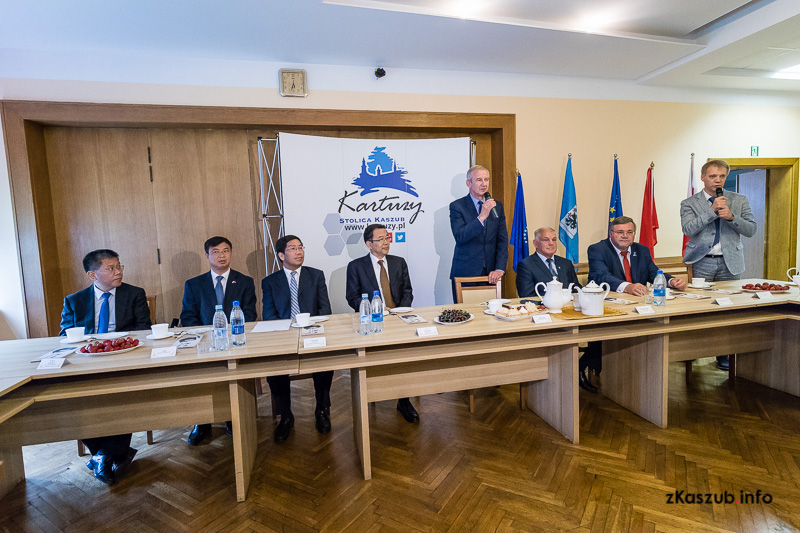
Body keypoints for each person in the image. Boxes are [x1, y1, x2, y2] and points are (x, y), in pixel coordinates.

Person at [59, 249, 151, 485]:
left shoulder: (134, 294)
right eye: (111, 268)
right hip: (87, 364)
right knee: (76, 400)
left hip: (124, 360)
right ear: (92, 274)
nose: (118, 272)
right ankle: (112, 454)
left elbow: (143, 329)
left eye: (119, 267)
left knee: (123, 397)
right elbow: (65, 335)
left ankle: (102, 457)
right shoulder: (74, 301)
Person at [587, 217, 687, 390]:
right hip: (608, 307)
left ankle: (641, 373)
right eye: (620, 232)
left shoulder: (642, 250)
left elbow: (653, 273)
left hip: (638, 306)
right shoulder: (598, 249)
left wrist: (671, 281)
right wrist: (627, 286)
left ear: (634, 234)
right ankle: (601, 369)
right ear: (611, 233)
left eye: (629, 232)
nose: (624, 236)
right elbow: (601, 276)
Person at [180, 236, 258, 445]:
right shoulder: (194, 284)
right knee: (201, 376)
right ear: (207, 256)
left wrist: (231, 334)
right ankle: (202, 422)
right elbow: (188, 316)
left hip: (235, 341)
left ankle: (232, 417)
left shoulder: (244, 281)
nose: (221, 256)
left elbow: (250, 314)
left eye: (225, 251)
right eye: (215, 252)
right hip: (206, 342)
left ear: (231, 253)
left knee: (233, 374)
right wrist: (206, 335)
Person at [681, 159, 756, 370]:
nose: (717, 180)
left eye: (722, 176)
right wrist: (711, 211)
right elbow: (688, 229)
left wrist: (732, 217)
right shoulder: (689, 203)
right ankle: (693, 351)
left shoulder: (739, 200)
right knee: (699, 308)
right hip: (701, 261)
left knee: (728, 309)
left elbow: (751, 230)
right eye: (713, 176)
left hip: (730, 262)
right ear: (703, 177)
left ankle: (724, 354)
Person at [262, 235, 334, 442]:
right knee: (275, 369)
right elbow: (269, 316)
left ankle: (322, 410)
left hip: (312, 332)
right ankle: (286, 415)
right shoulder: (270, 282)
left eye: (300, 247)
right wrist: (288, 330)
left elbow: (325, 309)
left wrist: (311, 328)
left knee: (325, 363)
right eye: (293, 248)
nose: (299, 252)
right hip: (284, 334)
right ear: (281, 255)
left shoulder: (315, 275)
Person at [345, 224, 418, 422]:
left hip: (398, 318)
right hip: (373, 322)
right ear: (369, 244)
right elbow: (352, 297)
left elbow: (408, 291)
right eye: (381, 239)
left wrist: (399, 312)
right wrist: (374, 309)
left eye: (387, 238)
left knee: (406, 356)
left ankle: (404, 400)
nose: (386, 242)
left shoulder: (398, 262)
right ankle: (371, 394)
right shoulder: (356, 266)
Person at [514, 227, 600, 392]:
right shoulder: (526, 265)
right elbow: (527, 296)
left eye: (554, 239)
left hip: (571, 314)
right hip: (547, 318)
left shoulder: (565, 263)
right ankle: (559, 379)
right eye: (546, 240)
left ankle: (580, 367)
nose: (551, 243)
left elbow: (576, 288)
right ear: (535, 243)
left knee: (599, 334)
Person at [449, 165, 509, 301]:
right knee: (465, 312)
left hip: (491, 274)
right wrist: (481, 217)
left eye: (486, 180)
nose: (484, 184)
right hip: (465, 273)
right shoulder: (457, 206)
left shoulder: (497, 206)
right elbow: (460, 236)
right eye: (479, 180)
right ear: (468, 183)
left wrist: (500, 268)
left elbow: (502, 240)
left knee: (491, 312)